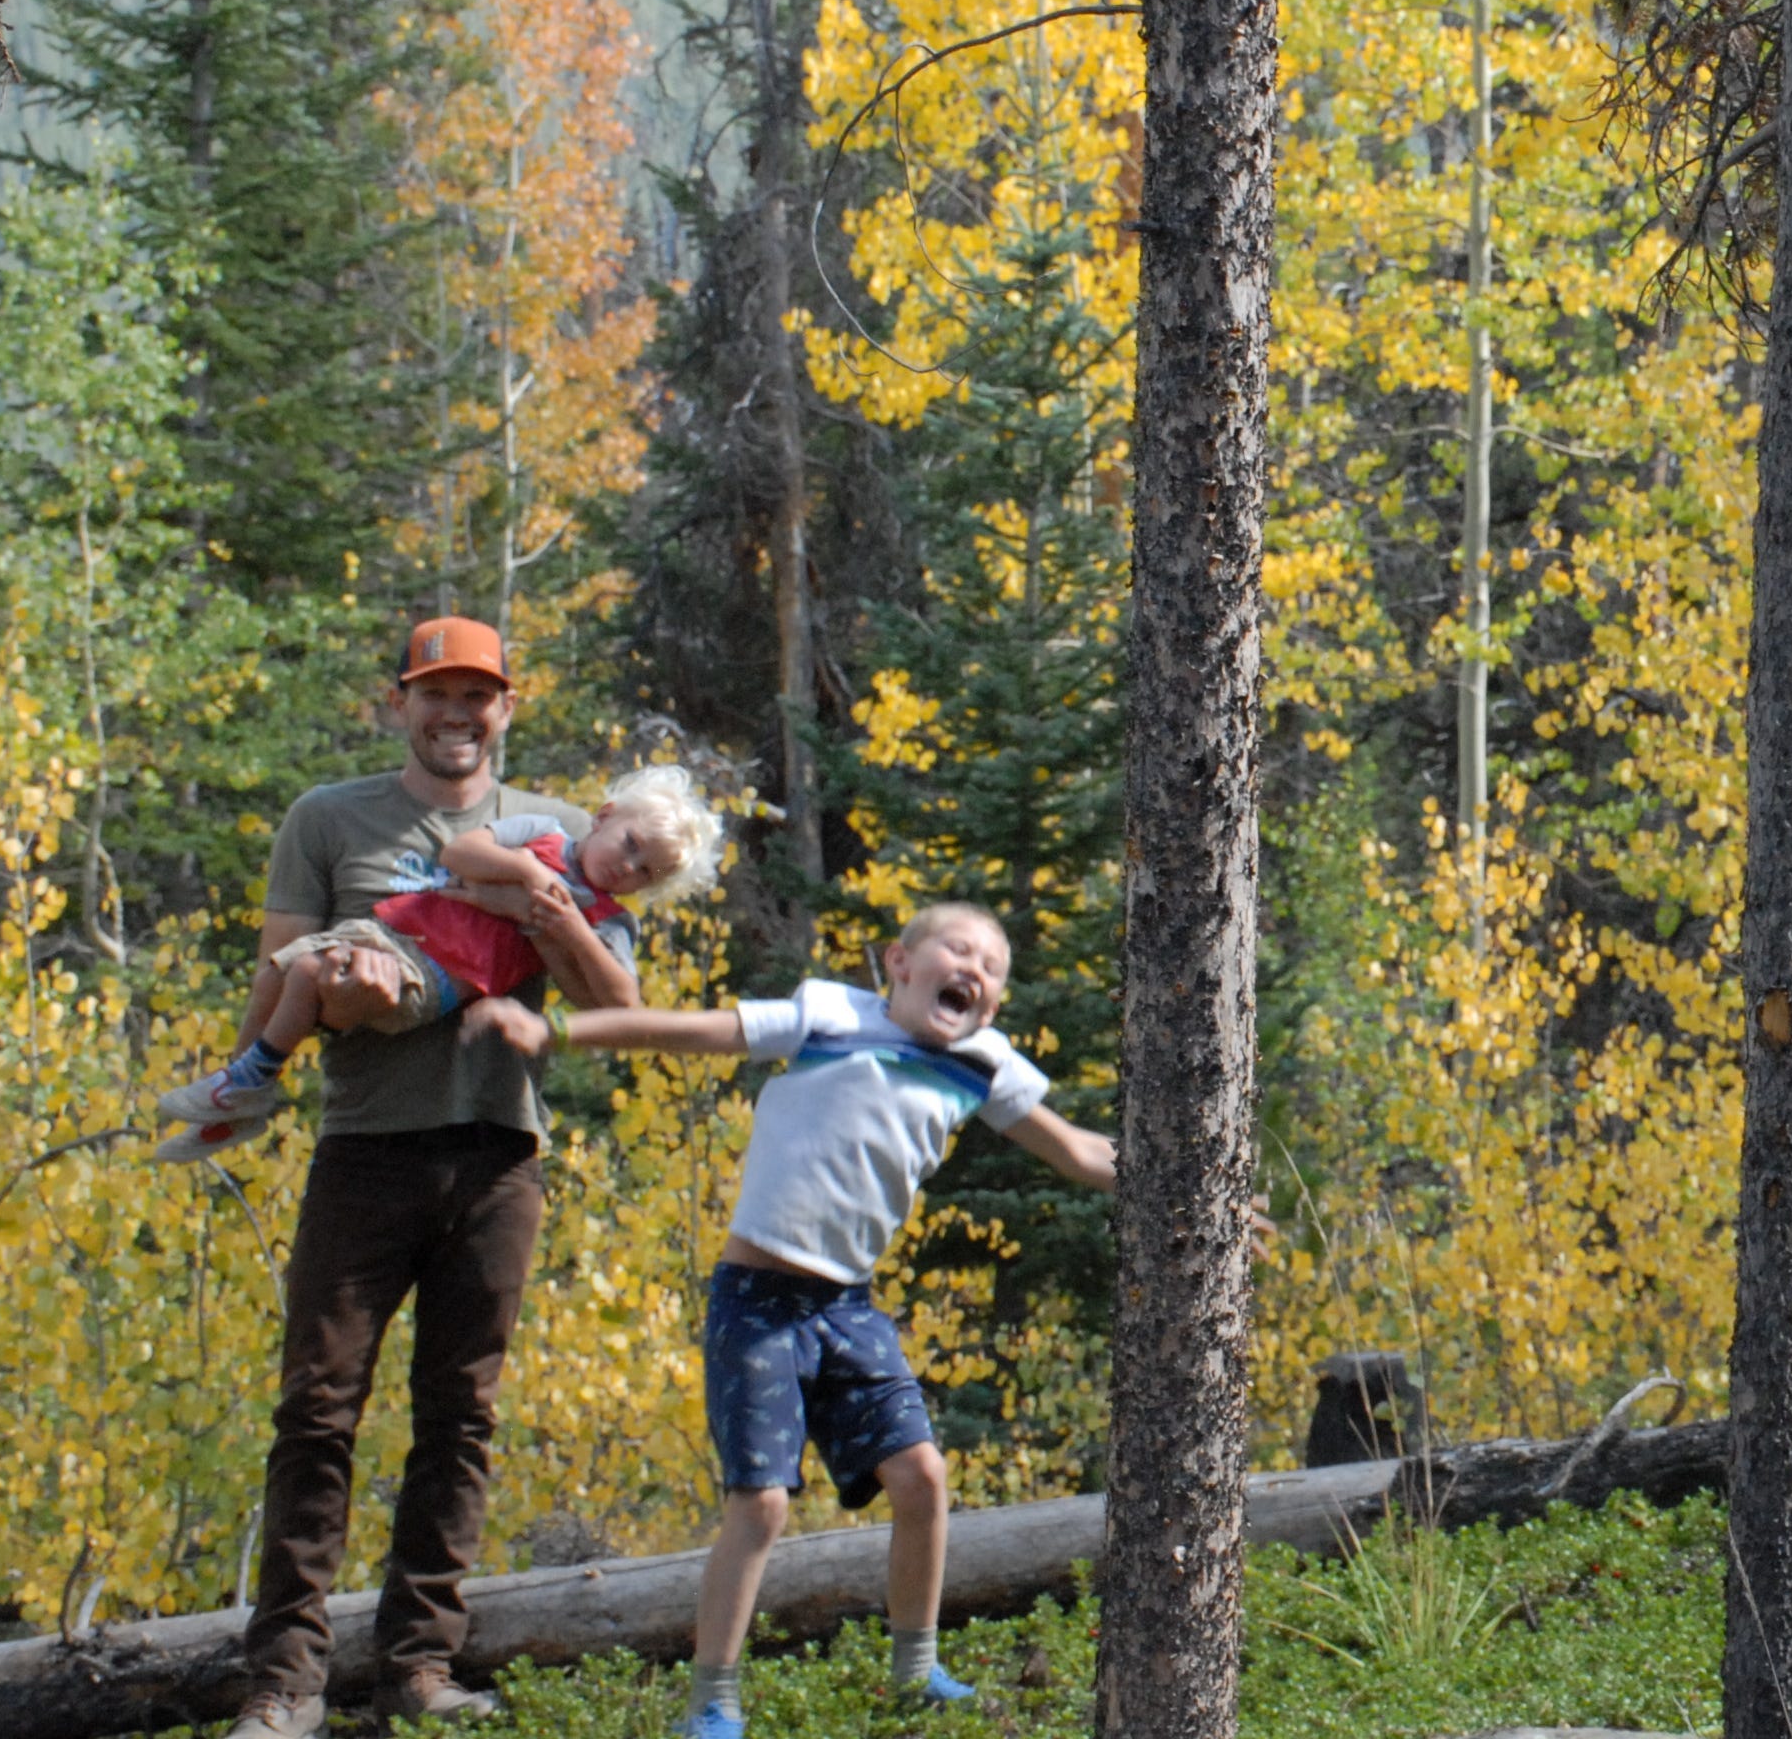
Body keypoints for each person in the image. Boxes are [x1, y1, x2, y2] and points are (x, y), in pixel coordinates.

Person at [468, 900, 1117, 1739]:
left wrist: (1190, 1179)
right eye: (959, 952)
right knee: (762, 1505)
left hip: (848, 1308)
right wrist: (557, 1032)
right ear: (899, 963)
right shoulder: (827, 1015)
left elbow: (1077, 1149)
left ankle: (916, 1669)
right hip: (757, 1302)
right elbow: (694, 1030)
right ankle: (711, 1699)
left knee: (921, 1479)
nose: (976, 974)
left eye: (993, 972)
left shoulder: (985, 1065)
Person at [219, 616, 647, 1739]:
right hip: (363, 1150)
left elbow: (619, 1013)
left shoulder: (567, 834)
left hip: (500, 1153)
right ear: (399, 702)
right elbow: (275, 987)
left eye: (479, 695)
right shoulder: (328, 817)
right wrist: (339, 987)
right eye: (435, 693)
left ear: (509, 705)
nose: (457, 714)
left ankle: (416, 1669)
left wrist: (550, 907)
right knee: (316, 1412)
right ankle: (286, 1683)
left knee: (459, 1417)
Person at [154, 762, 724, 1163]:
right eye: (630, 845)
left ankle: (251, 1084)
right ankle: (237, 1094)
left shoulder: (607, 919)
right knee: (282, 967)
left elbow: (622, 1002)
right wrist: (532, 875)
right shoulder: (543, 834)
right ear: (602, 817)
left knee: (307, 973)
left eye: (647, 872)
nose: (628, 869)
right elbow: (459, 852)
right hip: (398, 929)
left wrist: (568, 924)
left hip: (443, 975)